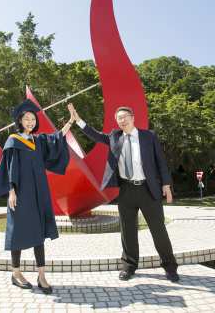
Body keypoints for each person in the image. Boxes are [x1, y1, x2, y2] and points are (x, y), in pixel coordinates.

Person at [68, 104, 179, 282]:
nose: (122, 120)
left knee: (158, 229)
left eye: (125, 116)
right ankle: (129, 266)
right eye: (119, 118)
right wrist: (78, 120)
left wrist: (166, 184)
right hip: (126, 189)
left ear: (133, 117)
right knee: (127, 230)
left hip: (148, 189)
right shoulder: (115, 136)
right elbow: (95, 135)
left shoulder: (148, 136)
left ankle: (170, 267)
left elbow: (160, 161)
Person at [0, 99, 75, 294]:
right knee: (17, 231)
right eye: (26, 119)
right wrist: (11, 191)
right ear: (20, 121)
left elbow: (57, 139)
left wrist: (70, 121)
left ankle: (42, 276)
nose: (30, 122)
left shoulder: (38, 141)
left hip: (39, 192)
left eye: (33, 119)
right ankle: (16, 273)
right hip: (21, 193)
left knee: (39, 233)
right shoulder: (13, 141)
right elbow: (10, 167)